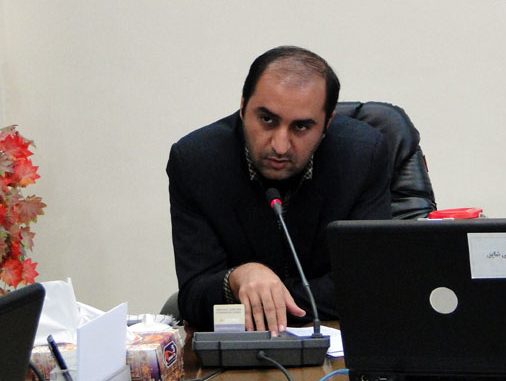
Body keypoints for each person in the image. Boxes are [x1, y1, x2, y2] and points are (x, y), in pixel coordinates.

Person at [167, 46, 392, 334]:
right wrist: (237, 278)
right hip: (242, 346)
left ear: (328, 123)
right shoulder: (196, 163)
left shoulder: (362, 156)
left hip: (339, 340)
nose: (280, 146)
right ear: (243, 106)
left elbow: (366, 286)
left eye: (301, 127)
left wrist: (265, 302)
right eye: (267, 120)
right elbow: (193, 298)